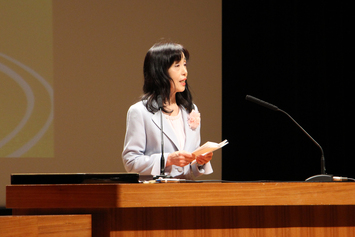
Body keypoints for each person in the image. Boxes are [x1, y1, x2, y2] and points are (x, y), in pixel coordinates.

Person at [122, 42, 213, 179]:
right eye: (177, 66)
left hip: (186, 195)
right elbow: (131, 161)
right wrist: (168, 159)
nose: (184, 72)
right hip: (154, 194)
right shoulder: (140, 111)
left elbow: (189, 168)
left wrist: (200, 161)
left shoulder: (191, 110)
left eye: (184, 64)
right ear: (160, 72)